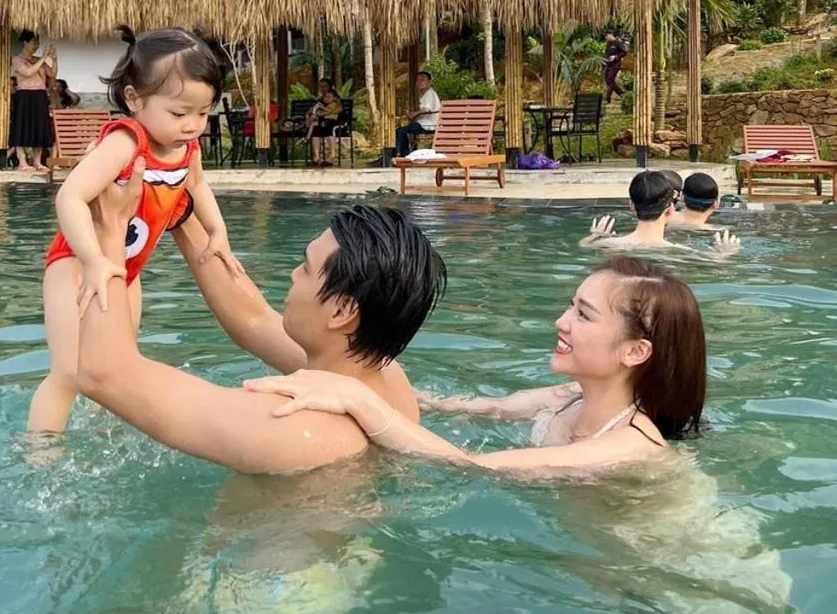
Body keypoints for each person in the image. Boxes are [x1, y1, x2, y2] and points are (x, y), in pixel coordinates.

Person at [73, 167, 446, 471]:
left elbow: (104, 373)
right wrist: (179, 209)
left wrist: (112, 228)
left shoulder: (295, 424)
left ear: (341, 311)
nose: (293, 275)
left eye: (306, 267)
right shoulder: (384, 379)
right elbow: (252, 320)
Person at [244, 256, 707, 475]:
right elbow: (475, 408)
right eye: (571, 305)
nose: (561, 321)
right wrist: (376, 381)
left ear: (635, 352)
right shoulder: (566, 399)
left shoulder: (630, 446)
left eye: (583, 315)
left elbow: (472, 466)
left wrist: (356, 398)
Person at [28, 26, 241, 434]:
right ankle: (41, 452)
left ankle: (99, 439)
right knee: (69, 371)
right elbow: (70, 197)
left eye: (203, 113)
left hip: (125, 271)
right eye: (179, 113)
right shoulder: (127, 142)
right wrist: (92, 259)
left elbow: (197, 186)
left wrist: (218, 231)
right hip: (76, 264)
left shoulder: (186, 148)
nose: (192, 125)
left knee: (115, 368)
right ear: (134, 99)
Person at [585, 169, 739, 257]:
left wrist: (593, 237)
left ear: (632, 205)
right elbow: (715, 267)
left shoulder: (604, 245)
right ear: (671, 209)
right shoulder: (683, 253)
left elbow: (584, 247)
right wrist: (724, 254)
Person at [10, 30, 55, 173]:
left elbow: (52, 74)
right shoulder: (17, 60)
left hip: (40, 95)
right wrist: (43, 58)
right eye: (33, 42)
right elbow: (28, 72)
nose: (36, 45)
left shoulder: (38, 60)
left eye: (37, 43)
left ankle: (37, 162)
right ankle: (22, 161)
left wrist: (55, 60)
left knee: (39, 128)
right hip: (24, 95)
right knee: (22, 127)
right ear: (25, 42)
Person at [395, 71, 441, 158]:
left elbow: (427, 109)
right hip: (423, 123)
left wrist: (414, 114)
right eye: (418, 80)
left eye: (423, 80)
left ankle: (402, 154)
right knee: (402, 130)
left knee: (400, 131)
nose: (420, 82)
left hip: (428, 124)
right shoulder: (425, 94)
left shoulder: (430, 93)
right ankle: (405, 153)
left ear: (429, 82)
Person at [304, 79, 343, 166]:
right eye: (321, 86)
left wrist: (323, 113)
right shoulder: (320, 100)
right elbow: (311, 111)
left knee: (329, 127)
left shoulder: (335, 99)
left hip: (335, 122)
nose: (323, 88)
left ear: (330, 87)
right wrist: (309, 117)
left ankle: (332, 155)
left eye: (325, 86)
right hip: (322, 121)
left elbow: (338, 110)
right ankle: (317, 157)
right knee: (315, 129)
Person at [603, 33, 627, 104]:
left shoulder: (618, 42)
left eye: (606, 37)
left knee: (610, 80)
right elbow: (606, 55)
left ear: (610, 35)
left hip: (615, 65)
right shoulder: (608, 44)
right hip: (608, 65)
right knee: (608, 82)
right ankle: (622, 94)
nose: (606, 39)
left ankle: (607, 98)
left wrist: (615, 57)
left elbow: (624, 52)